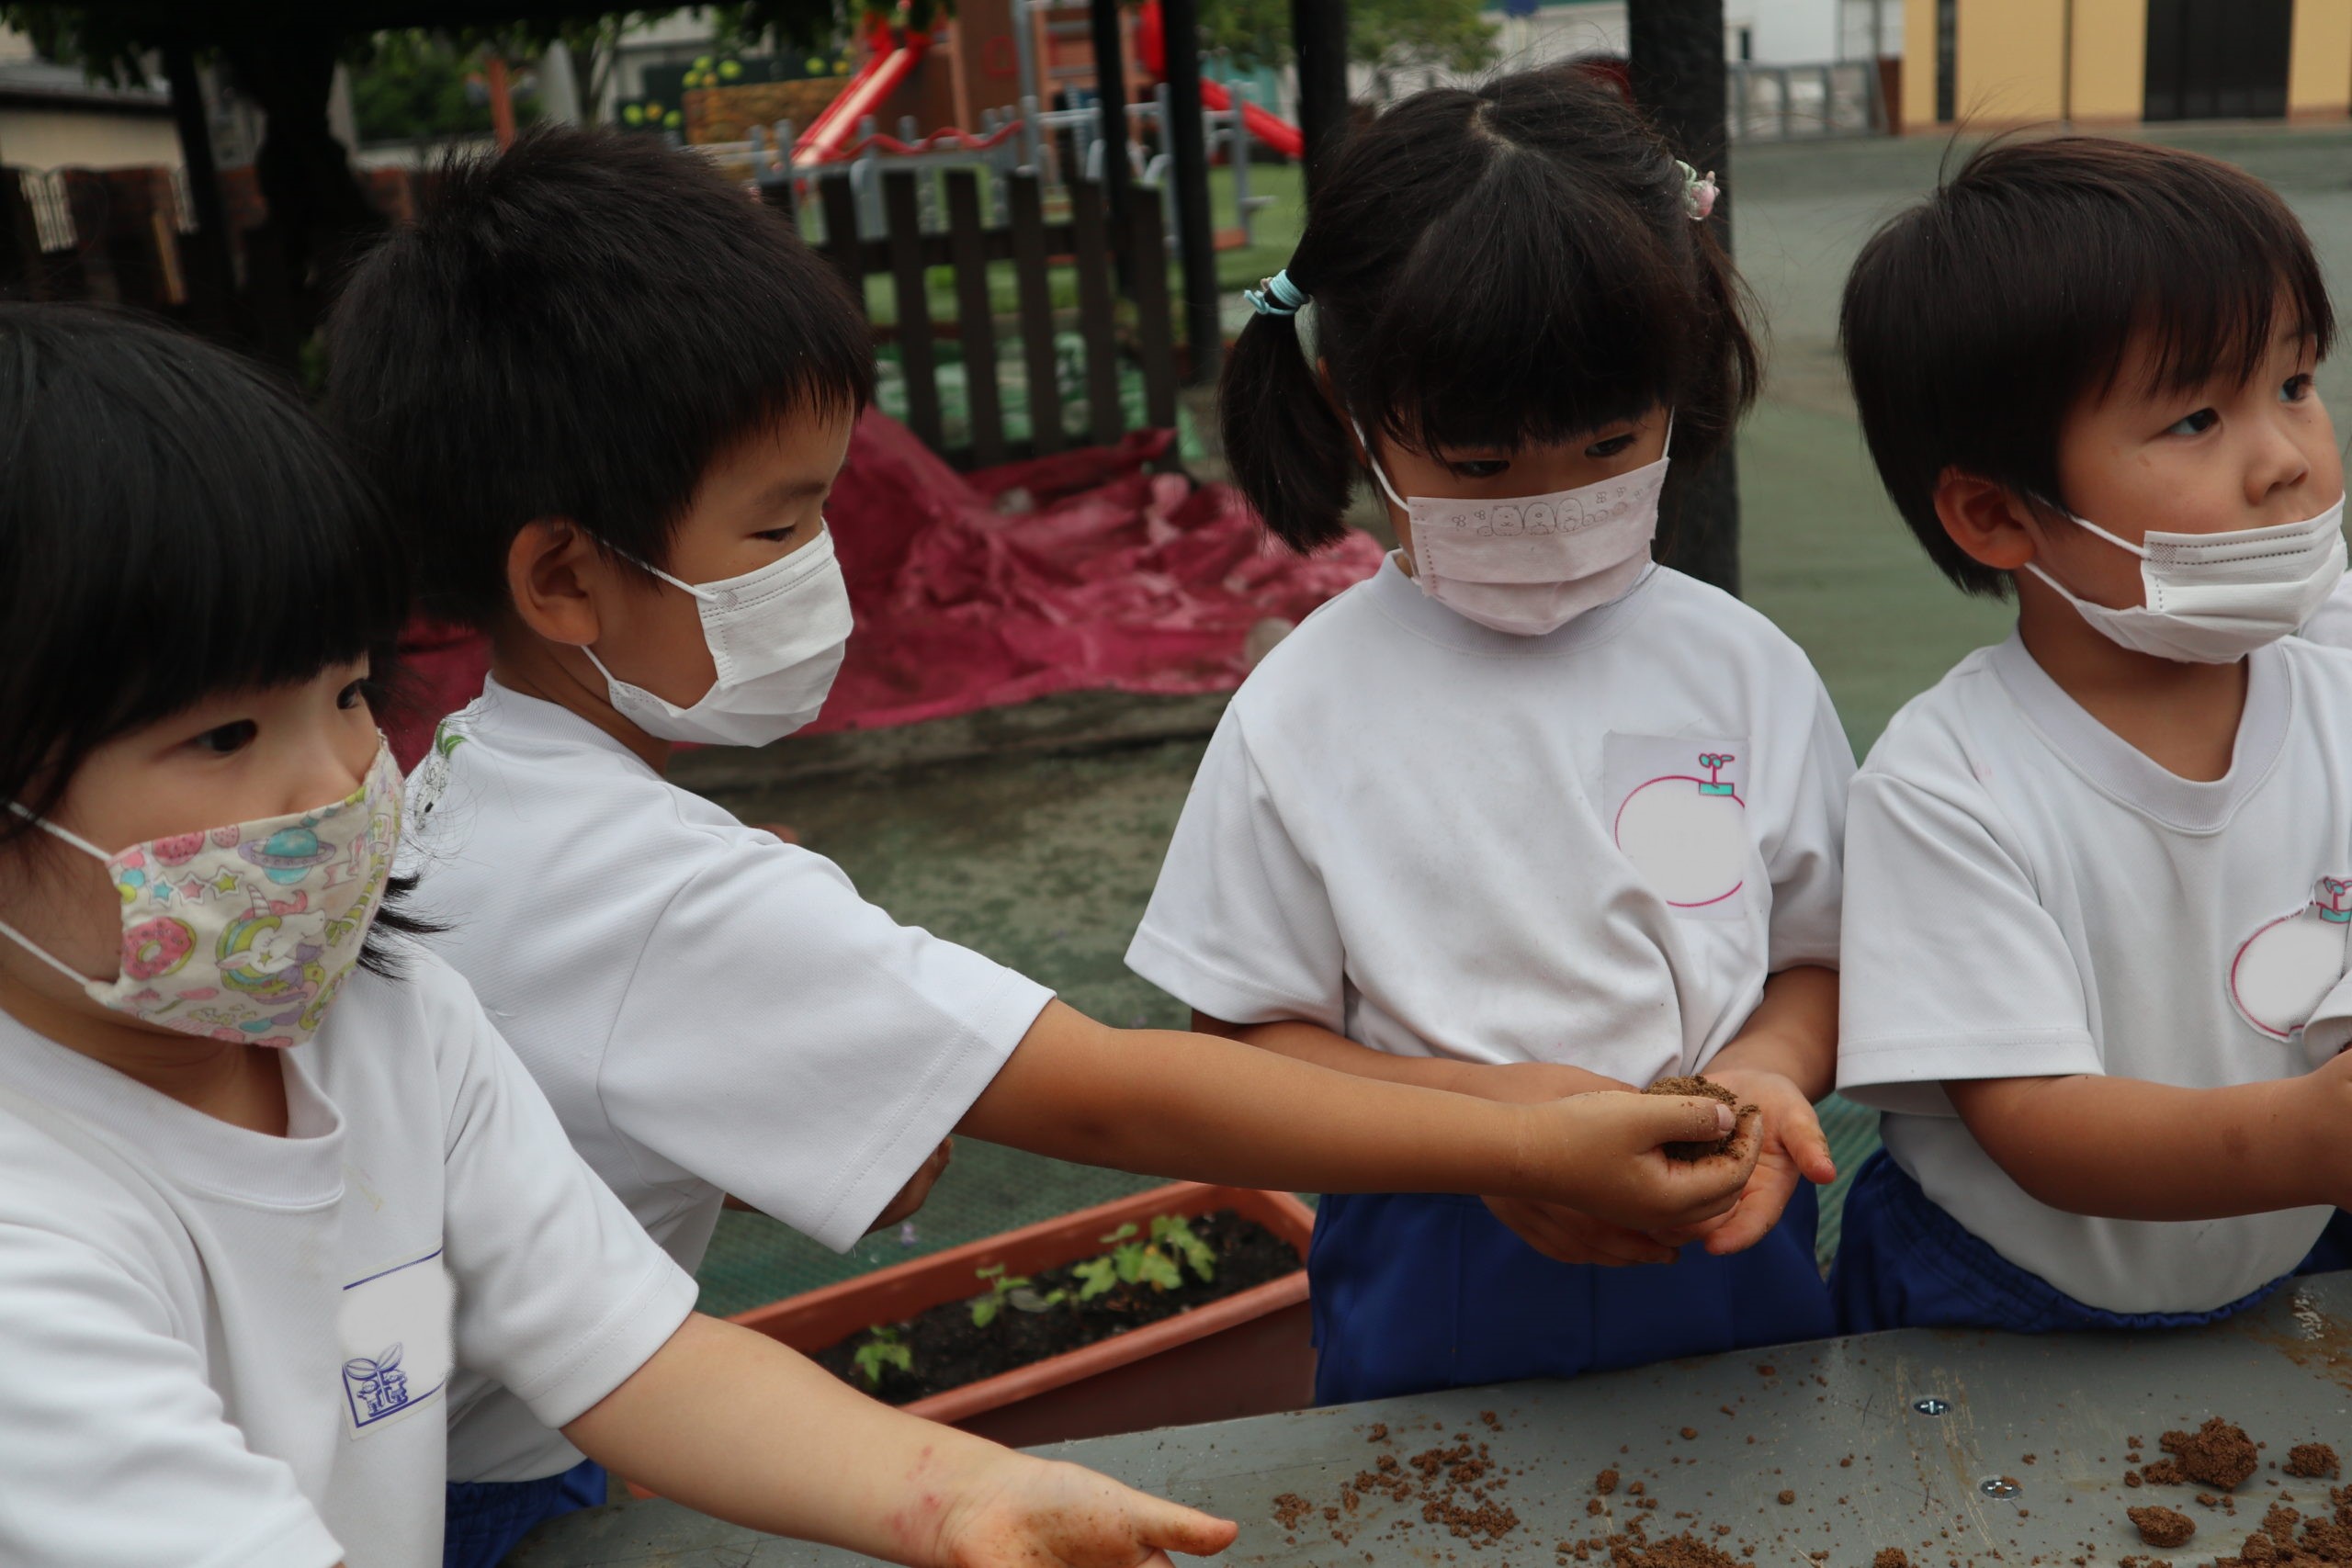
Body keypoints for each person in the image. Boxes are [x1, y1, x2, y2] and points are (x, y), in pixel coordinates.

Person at [322, 127, 1759, 1563]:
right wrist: (1531, 1136)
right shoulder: (660, 889)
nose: (828, 566)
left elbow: (796, 1135)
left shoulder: (473, 776)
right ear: (565, 576)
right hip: (470, 1484)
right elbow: (1110, 1098)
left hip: (436, 1430)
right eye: (779, 528)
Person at [0, 302, 1250, 1568]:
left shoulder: (397, 1020)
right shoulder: (29, 1230)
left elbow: (630, 1354)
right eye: (224, 737)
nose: (337, 781)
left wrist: (959, 1498)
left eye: (350, 695)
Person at [1125, 67, 1852, 1407]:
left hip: (1729, 1214)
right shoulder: (1303, 709)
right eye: (1478, 467)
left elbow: (1821, 955)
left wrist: (1761, 1076)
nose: (1551, 502)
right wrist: (1497, 1130)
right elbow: (1240, 1042)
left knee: (1763, 1473)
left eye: (1607, 444)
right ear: (1349, 408)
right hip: (1430, 1242)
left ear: (1680, 379)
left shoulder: (1748, 671)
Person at [1832, 136, 2352, 1335]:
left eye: (2294, 384)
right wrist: (2311, 1136)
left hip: (2275, 1273)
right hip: (1988, 1307)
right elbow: (2039, 1123)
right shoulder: (1946, 784)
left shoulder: (2335, 708)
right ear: (1995, 513)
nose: (2285, 461)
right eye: (2196, 418)